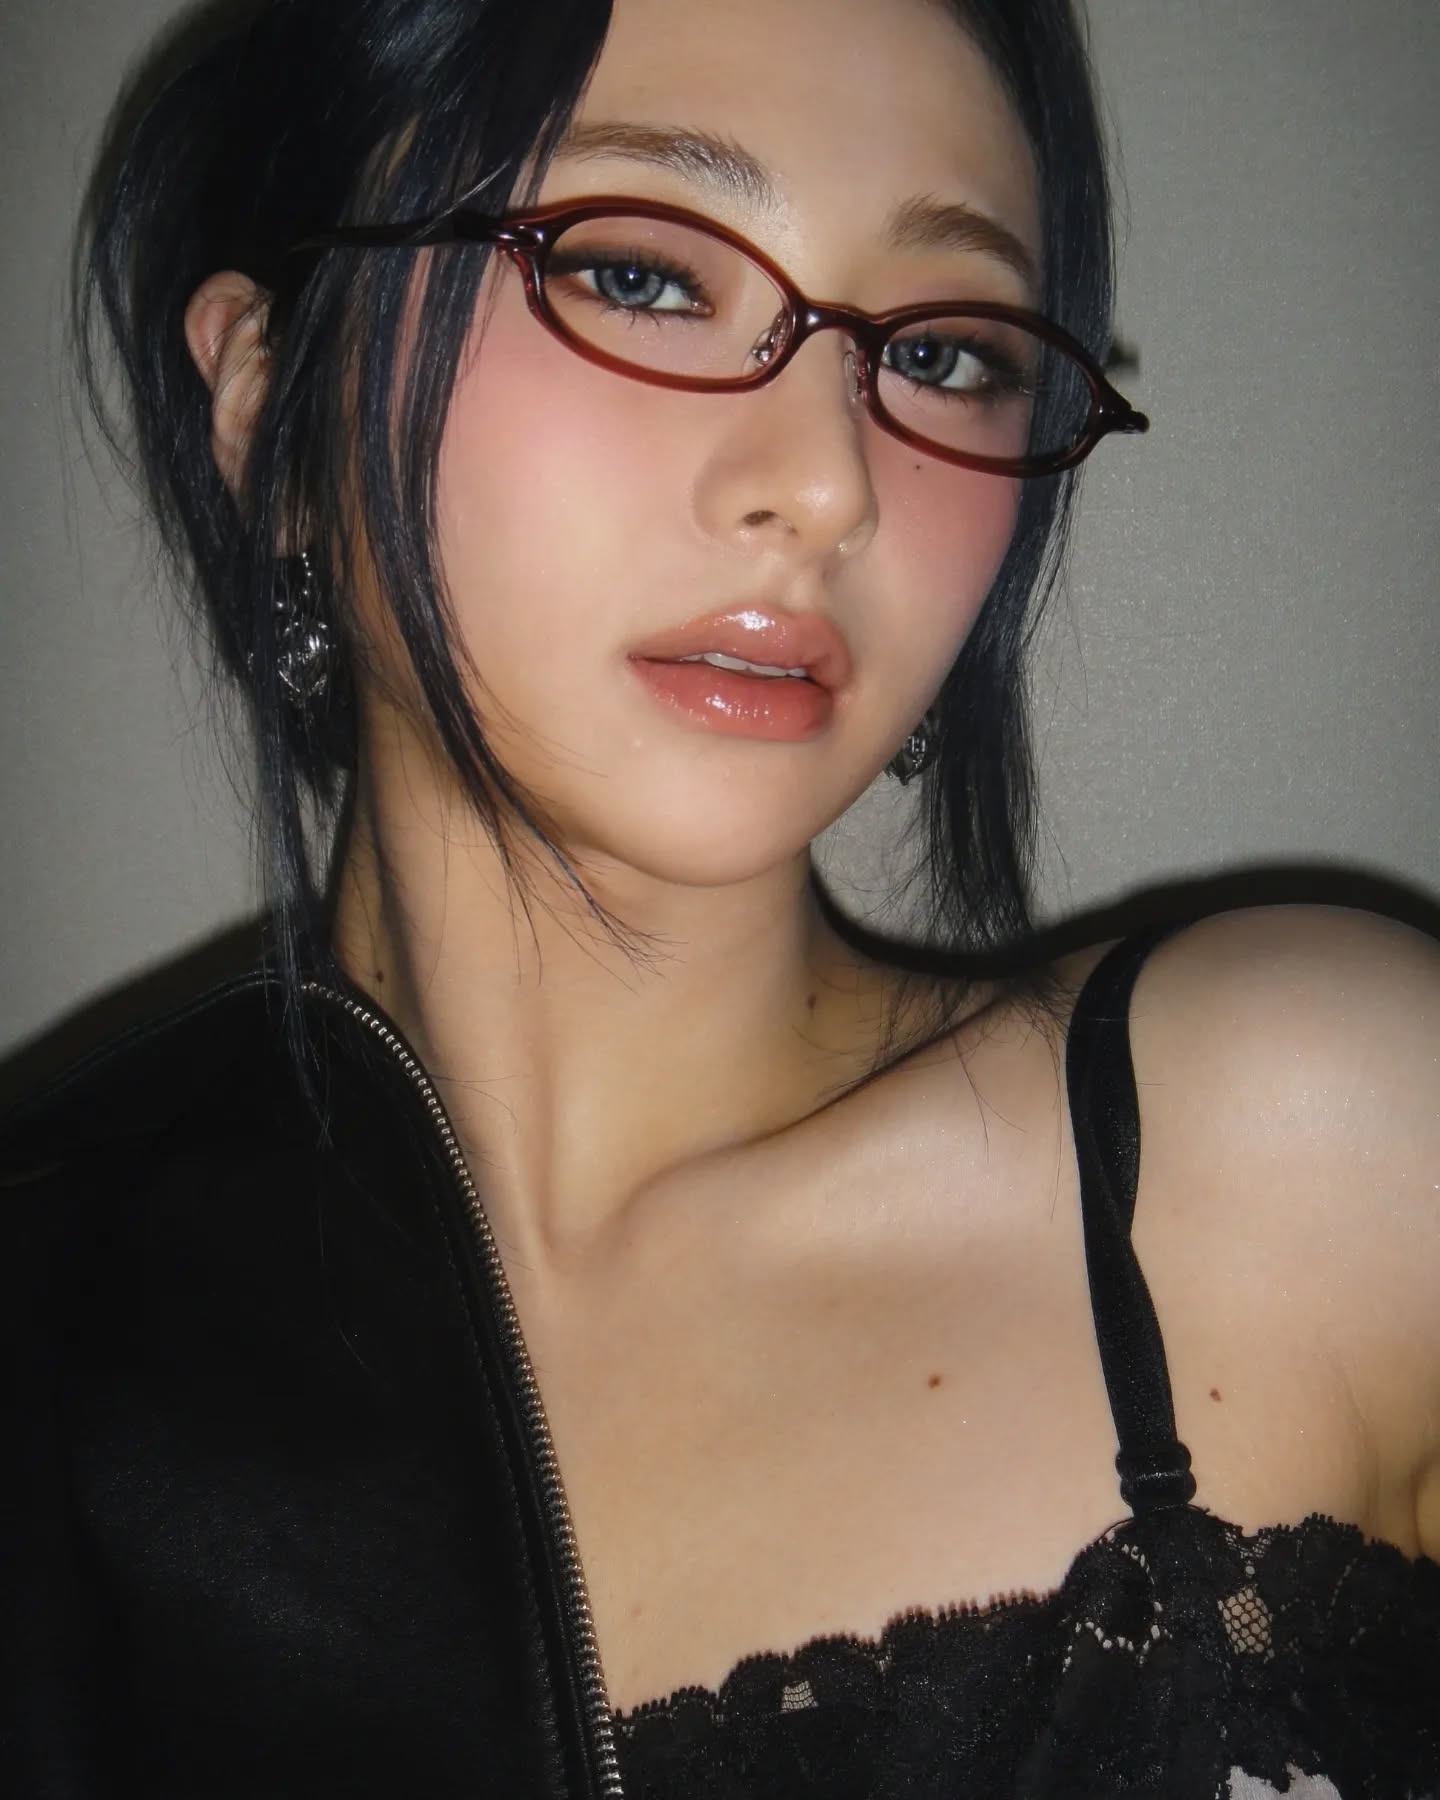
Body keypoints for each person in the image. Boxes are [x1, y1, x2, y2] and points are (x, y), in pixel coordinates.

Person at [4, 0, 1438, 1793]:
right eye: (639, 276)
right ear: (266, 401)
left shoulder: (1329, 1156)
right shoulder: (48, 1352)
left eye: (944, 353)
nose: (829, 485)